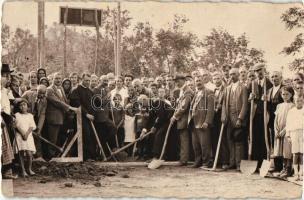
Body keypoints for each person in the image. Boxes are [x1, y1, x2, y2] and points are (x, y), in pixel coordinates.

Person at [221, 68, 248, 171]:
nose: (232, 76)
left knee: (238, 141)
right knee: (230, 141)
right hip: (228, 118)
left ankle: (239, 164)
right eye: (230, 74)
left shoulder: (243, 88)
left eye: (234, 74)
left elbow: (245, 105)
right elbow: (224, 104)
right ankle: (232, 162)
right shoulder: (227, 88)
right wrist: (223, 116)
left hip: (238, 118)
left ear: (238, 75)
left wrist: (240, 118)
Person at [46, 72, 76, 158]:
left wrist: (72, 109)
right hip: (53, 118)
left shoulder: (61, 89)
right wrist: (70, 108)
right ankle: (50, 157)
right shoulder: (49, 90)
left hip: (62, 118)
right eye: (56, 78)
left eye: (59, 79)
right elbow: (57, 102)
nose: (58, 80)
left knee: (59, 138)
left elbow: (65, 101)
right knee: (53, 139)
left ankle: (56, 156)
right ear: (53, 79)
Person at [249, 64, 273, 169]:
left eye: (260, 70)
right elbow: (248, 99)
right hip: (254, 115)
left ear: (264, 70)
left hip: (264, 114)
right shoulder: (252, 84)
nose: (258, 72)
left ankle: (264, 162)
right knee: (254, 138)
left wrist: (268, 99)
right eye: (256, 71)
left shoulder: (269, 84)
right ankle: (255, 163)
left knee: (265, 138)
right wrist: (250, 98)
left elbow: (273, 100)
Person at [188, 75, 215, 168]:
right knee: (196, 144)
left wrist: (207, 121)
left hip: (203, 122)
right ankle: (198, 161)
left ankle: (207, 162)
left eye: (199, 80)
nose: (198, 82)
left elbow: (211, 109)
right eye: (196, 81)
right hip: (194, 122)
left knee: (205, 144)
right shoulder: (196, 93)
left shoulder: (209, 92)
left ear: (203, 81)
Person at [70, 73, 97, 160]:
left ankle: (91, 156)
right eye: (86, 80)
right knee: (85, 135)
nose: (88, 82)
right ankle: (84, 157)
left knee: (91, 136)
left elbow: (93, 105)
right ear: (81, 79)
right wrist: (86, 114)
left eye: (89, 81)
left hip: (89, 118)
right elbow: (77, 104)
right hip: (80, 118)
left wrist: (92, 115)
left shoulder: (90, 91)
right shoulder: (76, 90)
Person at [138, 94, 174, 160]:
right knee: (153, 135)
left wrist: (155, 126)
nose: (141, 106)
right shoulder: (149, 106)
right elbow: (150, 120)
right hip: (164, 120)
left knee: (158, 135)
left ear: (145, 100)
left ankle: (156, 156)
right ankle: (151, 155)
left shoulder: (156, 102)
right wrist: (144, 131)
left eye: (141, 103)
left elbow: (161, 116)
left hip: (170, 120)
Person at [170, 74, 194, 166]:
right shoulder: (182, 90)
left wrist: (175, 116)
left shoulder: (187, 91)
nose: (176, 83)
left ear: (184, 80)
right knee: (183, 139)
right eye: (175, 81)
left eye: (178, 80)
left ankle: (184, 160)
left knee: (184, 139)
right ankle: (183, 158)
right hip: (181, 119)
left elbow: (184, 107)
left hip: (185, 119)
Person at [273, 86, 294, 177]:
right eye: (283, 94)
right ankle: (283, 168)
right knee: (280, 150)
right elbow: (276, 119)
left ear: (291, 94)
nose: (285, 96)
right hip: (279, 131)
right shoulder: (279, 106)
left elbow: (292, 120)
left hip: (287, 131)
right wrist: (276, 130)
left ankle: (288, 169)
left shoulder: (293, 106)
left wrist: (284, 130)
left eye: (287, 94)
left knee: (287, 150)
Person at [1, 64, 17, 179]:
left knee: (7, 145)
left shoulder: (5, 90)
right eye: (4, 75)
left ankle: (6, 171)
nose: (7, 78)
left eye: (8, 75)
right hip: (2, 119)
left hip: (6, 118)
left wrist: (11, 116)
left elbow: (9, 104)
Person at [14, 99, 36, 177]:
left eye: (24, 105)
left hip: (28, 136)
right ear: (19, 107)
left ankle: (29, 169)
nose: (23, 107)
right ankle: (23, 170)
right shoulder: (16, 115)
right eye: (21, 105)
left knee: (29, 154)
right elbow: (16, 126)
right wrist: (22, 133)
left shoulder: (30, 116)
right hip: (19, 136)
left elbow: (32, 126)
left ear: (27, 106)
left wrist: (26, 134)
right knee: (21, 154)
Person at [211, 71, 229, 169]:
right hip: (213, 117)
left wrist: (222, 109)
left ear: (221, 79)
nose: (216, 80)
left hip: (222, 116)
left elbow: (227, 103)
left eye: (218, 78)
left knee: (223, 139)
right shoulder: (212, 91)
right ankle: (216, 160)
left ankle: (225, 161)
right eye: (214, 79)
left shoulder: (225, 89)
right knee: (214, 138)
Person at [267, 70, 284, 171]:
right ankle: (276, 165)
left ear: (281, 77)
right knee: (273, 141)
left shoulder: (284, 89)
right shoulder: (269, 91)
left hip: (281, 118)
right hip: (271, 119)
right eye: (272, 77)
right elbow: (268, 107)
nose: (274, 78)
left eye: (276, 76)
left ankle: (283, 166)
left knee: (281, 141)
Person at [285, 94, 304, 181]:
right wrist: (288, 135)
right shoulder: (291, 111)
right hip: (294, 133)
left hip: (303, 133)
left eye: (300, 100)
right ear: (294, 101)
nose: (299, 102)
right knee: (295, 153)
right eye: (297, 101)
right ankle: (296, 173)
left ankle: (302, 173)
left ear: (303, 101)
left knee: (302, 153)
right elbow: (288, 124)